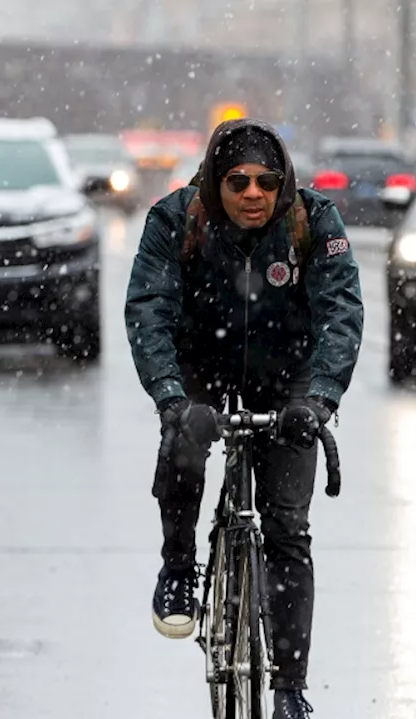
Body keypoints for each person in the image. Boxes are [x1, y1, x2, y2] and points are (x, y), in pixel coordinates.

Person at [125, 118, 364, 719]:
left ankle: (289, 689)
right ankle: (178, 565)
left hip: (288, 378)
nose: (253, 194)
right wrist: (173, 400)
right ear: (214, 182)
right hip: (200, 367)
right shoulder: (174, 221)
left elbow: (341, 313)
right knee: (183, 445)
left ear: (282, 184)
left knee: (288, 530)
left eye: (266, 181)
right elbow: (149, 311)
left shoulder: (315, 224)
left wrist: (319, 401)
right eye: (238, 182)